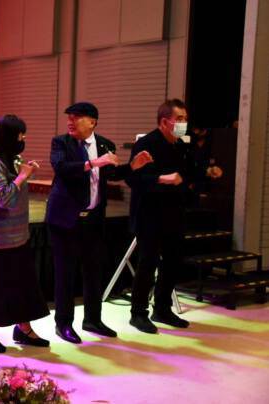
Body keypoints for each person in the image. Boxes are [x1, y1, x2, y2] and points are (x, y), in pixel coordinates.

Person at [46, 102, 153, 344]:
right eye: (69, 117)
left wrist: (132, 167)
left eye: (77, 117)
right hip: (65, 219)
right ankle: (63, 324)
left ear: (92, 121)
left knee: (94, 272)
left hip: (93, 220)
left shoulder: (105, 144)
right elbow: (62, 169)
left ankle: (93, 320)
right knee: (65, 274)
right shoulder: (61, 142)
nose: (70, 121)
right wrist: (94, 163)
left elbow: (111, 174)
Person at [0, 114, 50, 353]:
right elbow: (5, 198)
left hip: (18, 236)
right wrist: (23, 176)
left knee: (23, 285)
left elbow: (14, 189)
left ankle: (23, 328)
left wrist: (25, 172)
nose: (23, 139)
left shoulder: (11, 159)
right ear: (8, 137)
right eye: (20, 135)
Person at [126, 98, 192, 334]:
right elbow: (134, 179)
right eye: (179, 119)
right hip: (149, 214)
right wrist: (162, 179)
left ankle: (162, 308)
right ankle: (138, 313)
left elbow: (185, 175)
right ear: (165, 122)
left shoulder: (180, 145)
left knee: (173, 262)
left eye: (185, 119)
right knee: (148, 263)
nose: (183, 123)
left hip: (174, 213)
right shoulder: (146, 144)